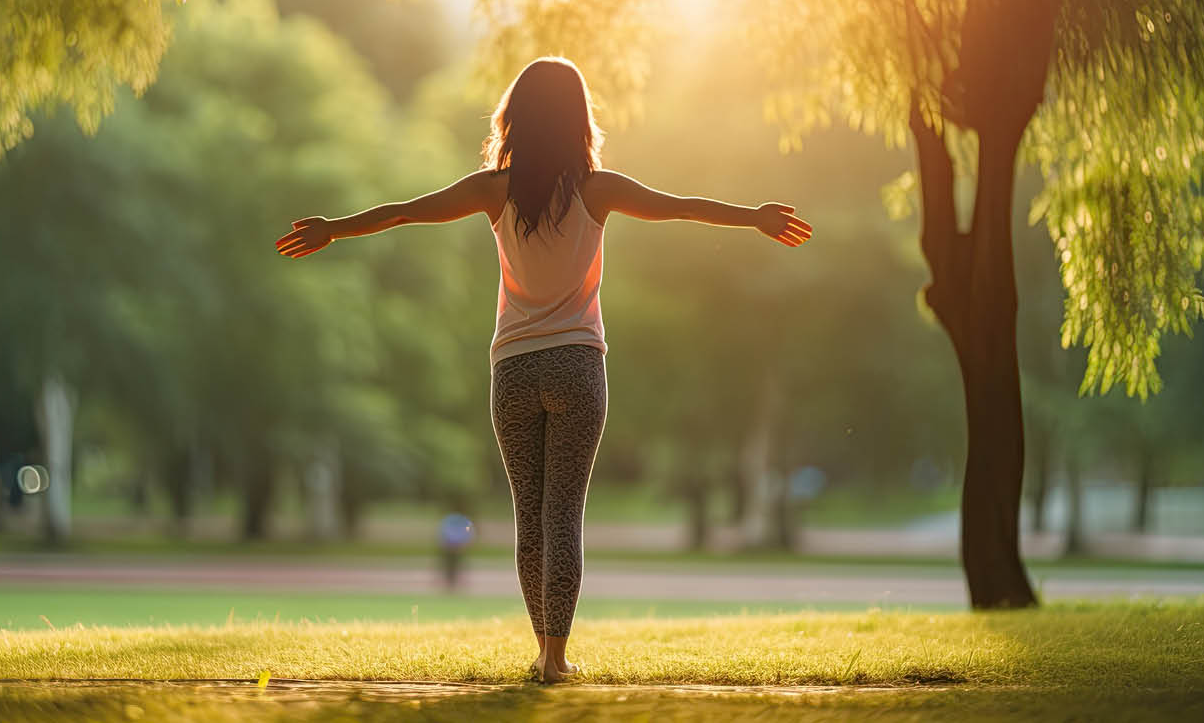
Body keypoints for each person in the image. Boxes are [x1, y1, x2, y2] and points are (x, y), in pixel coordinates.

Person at [275, 56, 811, 683]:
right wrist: (754, 217)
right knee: (564, 516)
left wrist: (334, 229)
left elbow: (402, 211)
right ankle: (557, 657)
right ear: (579, 118)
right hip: (579, 366)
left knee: (530, 519)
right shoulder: (597, 189)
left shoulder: (492, 190)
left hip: (514, 370)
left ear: (517, 118)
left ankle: (542, 653)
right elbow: (681, 206)